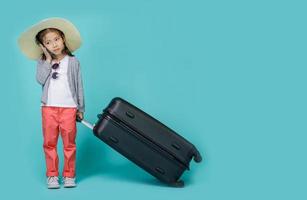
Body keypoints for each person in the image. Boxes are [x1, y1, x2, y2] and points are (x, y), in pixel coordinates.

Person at [18, 18, 85, 189]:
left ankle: (69, 175)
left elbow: (79, 85)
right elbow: (40, 80)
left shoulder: (73, 62)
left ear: (63, 38)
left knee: (69, 144)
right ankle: (52, 175)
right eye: (48, 42)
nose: (54, 44)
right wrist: (47, 60)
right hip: (49, 108)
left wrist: (80, 108)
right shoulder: (43, 63)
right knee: (49, 143)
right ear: (43, 46)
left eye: (56, 39)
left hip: (69, 108)